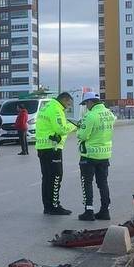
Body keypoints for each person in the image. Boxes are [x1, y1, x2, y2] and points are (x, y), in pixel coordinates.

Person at [35, 92, 78, 215]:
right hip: (52, 148)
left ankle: (47, 206)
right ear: (64, 100)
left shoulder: (47, 106)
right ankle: (54, 205)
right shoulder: (56, 109)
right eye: (68, 104)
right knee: (56, 177)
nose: (68, 107)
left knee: (47, 178)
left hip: (43, 147)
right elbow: (61, 129)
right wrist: (73, 126)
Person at [76, 93, 116, 221]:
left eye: (86, 104)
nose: (86, 107)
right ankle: (105, 211)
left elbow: (83, 135)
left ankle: (89, 211)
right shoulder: (109, 114)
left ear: (90, 102)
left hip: (89, 155)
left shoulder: (90, 115)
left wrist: (79, 129)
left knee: (87, 183)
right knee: (103, 183)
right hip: (104, 154)